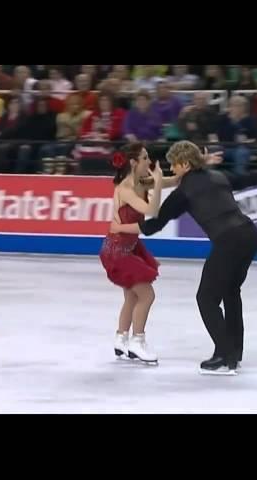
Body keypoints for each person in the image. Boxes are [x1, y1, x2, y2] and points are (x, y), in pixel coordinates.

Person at [110, 141, 257, 375]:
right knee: (230, 292)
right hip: (250, 236)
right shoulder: (219, 175)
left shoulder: (183, 192)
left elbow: (154, 225)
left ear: (185, 164)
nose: (173, 170)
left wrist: (122, 226)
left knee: (206, 299)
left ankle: (223, 356)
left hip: (229, 241)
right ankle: (234, 353)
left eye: (174, 166)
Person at [99, 143, 166, 365]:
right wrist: (157, 184)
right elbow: (152, 211)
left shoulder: (140, 182)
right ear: (133, 163)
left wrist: (194, 168)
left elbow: (171, 181)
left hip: (125, 247)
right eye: (145, 158)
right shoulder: (125, 189)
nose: (149, 161)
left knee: (132, 295)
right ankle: (137, 342)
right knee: (147, 295)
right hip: (118, 251)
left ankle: (121, 338)